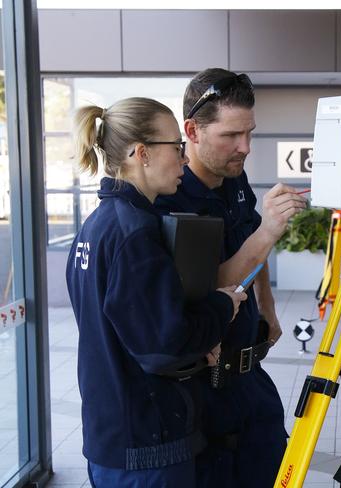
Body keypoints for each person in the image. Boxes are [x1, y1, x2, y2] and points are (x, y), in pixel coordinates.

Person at [66, 97, 247, 488]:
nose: (185, 159)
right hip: (146, 446)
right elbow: (163, 345)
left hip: (113, 434)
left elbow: (128, 330)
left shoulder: (95, 227)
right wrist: (222, 306)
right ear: (142, 153)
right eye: (177, 147)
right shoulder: (135, 234)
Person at [155, 69, 307, 487]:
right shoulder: (171, 195)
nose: (246, 147)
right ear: (192, 131)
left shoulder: (233, 178)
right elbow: (198, 292)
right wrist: (267, 233)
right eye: (232, 136)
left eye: (250, 133)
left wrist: (269, 309)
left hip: (248, 377)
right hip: (205, 388)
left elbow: (248, 243)